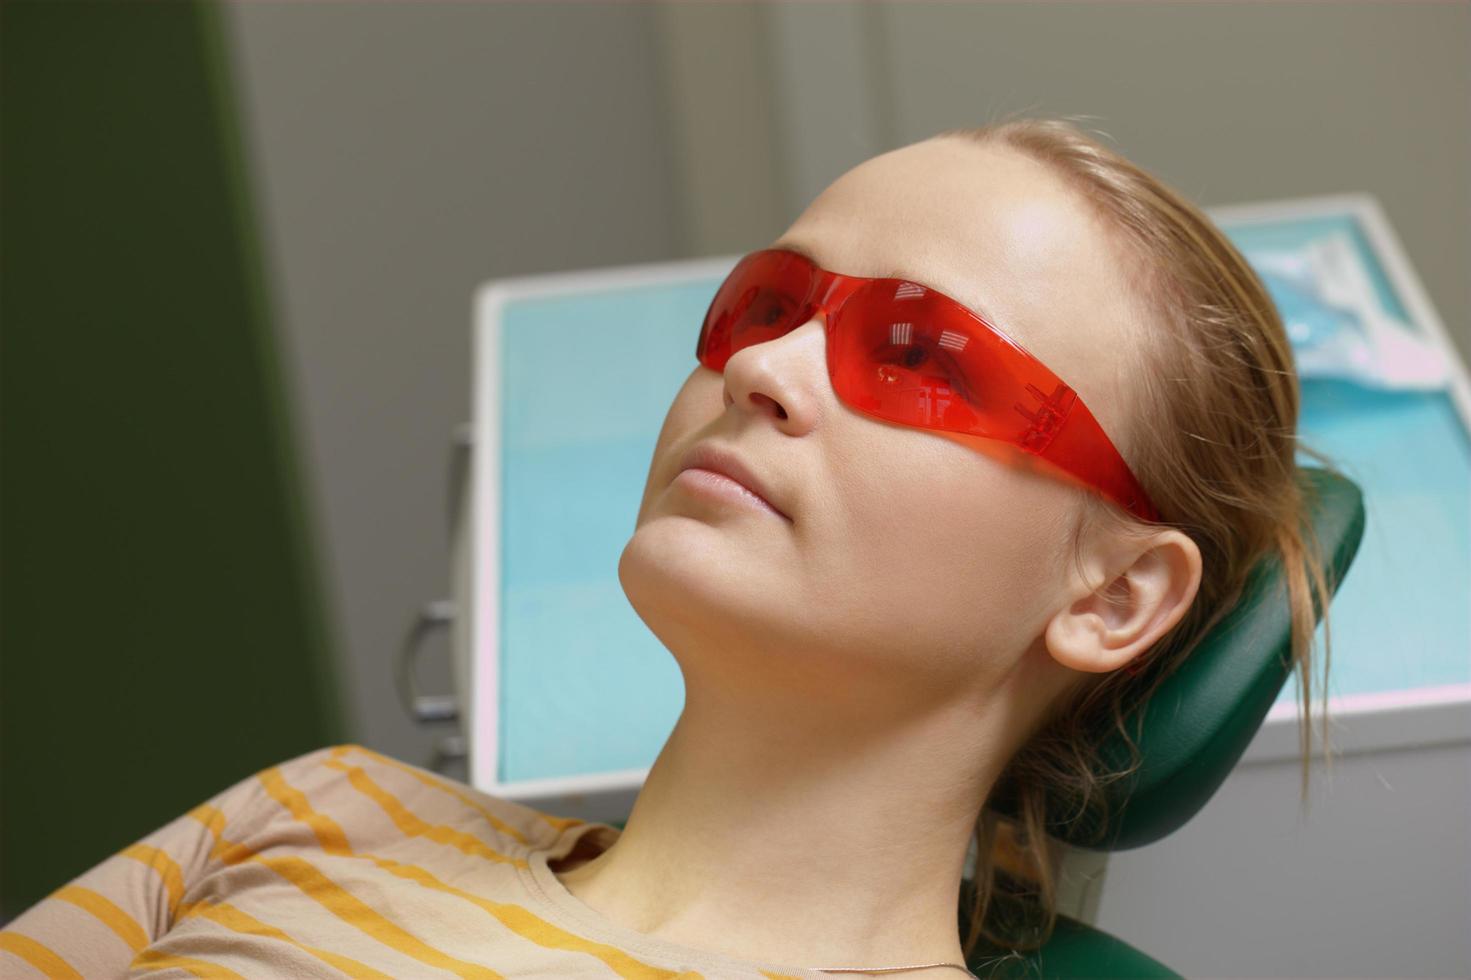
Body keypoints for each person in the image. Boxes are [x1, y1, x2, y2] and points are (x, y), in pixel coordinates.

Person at [0, 115, 1339, 979]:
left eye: (921, 355)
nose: (763, 364)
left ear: (1112, 597)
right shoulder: (334, 808)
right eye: (769, 301)